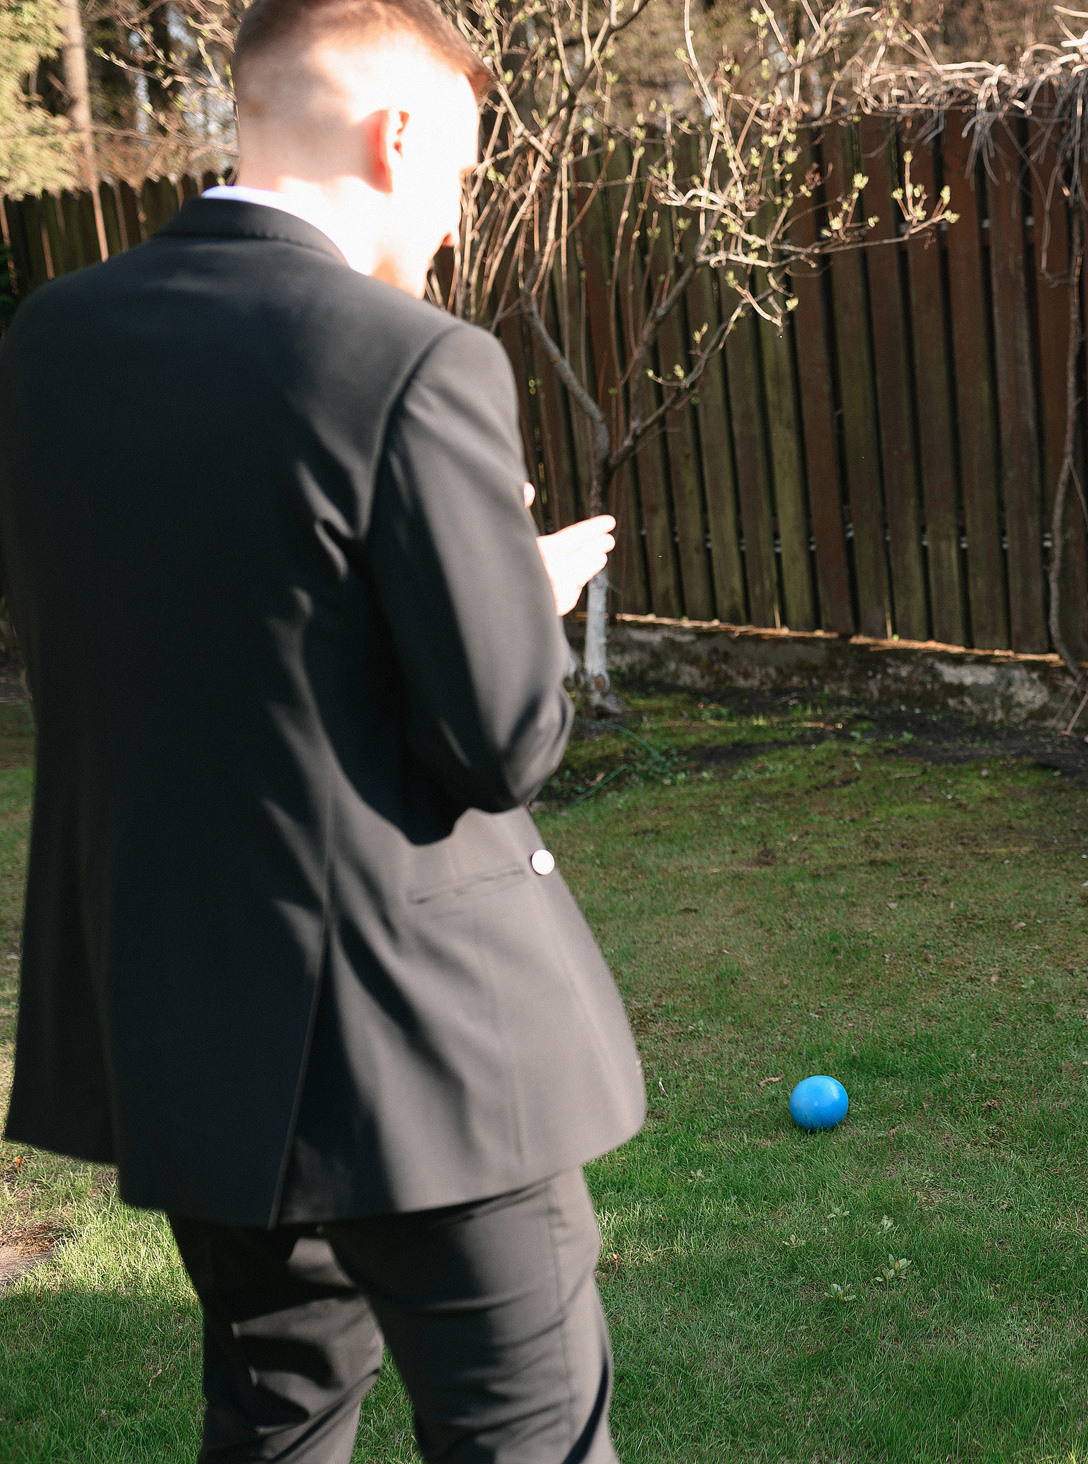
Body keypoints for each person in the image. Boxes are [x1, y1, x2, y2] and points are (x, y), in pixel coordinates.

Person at [0, 0, 644, 1454]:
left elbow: (189, 641)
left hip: (182, 1008)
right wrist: (515, 591)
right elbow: (498, 743)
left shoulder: (51, 344)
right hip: (420, 1042)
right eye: (462, 174)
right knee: (524, 1432)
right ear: (396, 135)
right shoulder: (410, 359)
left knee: (276, 1415)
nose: (459, 219)